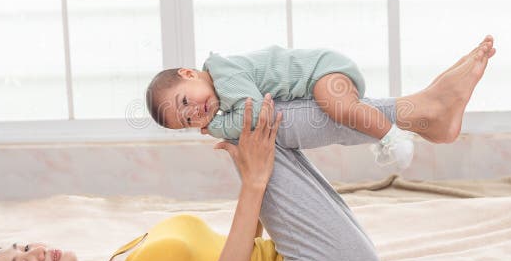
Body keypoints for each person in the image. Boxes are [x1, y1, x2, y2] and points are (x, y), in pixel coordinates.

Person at [0, 35, 496, 261]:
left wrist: (255, 179)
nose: (36, 251)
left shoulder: (121, 255)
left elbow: (241, 248)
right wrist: (254, 181)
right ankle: (417, 111)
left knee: (257, 122)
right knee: (256, 126)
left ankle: (420, 112)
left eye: (24, 246)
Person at [145, 45, 417, 168]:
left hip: (324, 71)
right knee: (340, 116)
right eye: (187, 121)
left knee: (338, 108)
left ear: (189, 73)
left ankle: (393, 136)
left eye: (184, 101)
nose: (193, 112)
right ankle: (380, 139)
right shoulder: (221, 87)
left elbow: (254, 116)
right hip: (320, 75)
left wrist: (217, 126)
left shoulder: (223, 76)